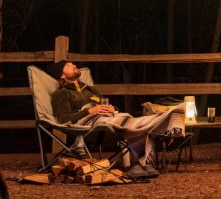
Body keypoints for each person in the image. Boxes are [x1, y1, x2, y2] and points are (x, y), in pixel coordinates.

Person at [51, 60, 185, 179]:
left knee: (134, 121)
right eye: (69, 65)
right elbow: (63, 118)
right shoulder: (61, 93)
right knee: (135, 125)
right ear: (62, 75)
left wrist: (111, 108)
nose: (74, 65)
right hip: (91, 123)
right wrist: (90, 110)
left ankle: (141, 163)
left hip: (109, 117)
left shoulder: (90, 90)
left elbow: (105, 106)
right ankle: (140, 161)